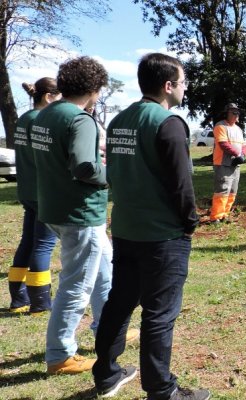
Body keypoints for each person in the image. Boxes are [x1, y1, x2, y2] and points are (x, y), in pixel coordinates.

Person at [91, 53, 209, 400]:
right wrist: (190, 222)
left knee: (120, 302)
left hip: (126, 228)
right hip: (162, 235)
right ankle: (161, 390)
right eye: (183, 82)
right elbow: (181, 183)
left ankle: (106, 373)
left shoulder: (119, 121)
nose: (186, 88)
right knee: (159, 314)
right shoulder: (168, 123)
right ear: (168, 85)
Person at [30, 56, 113, 374]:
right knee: (77, 285)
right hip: (80, 212)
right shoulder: (80, 119)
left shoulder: (46, 114)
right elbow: (84, 167)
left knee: (104, 270)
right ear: (94, 89)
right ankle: (60, 354)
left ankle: (108, 330)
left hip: (54, 207)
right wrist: (111, 174)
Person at [7, 78, 61, 314]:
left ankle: (19, 299)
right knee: (44, 244)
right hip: (43, 192)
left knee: (28, 242)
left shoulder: (24, 119)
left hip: (27, 190)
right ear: (48, 97)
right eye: (60, 99)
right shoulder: (42, 120)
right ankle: (40, 302)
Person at [209, 103, 246, 223]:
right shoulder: (220, 126)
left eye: (237, 112)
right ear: (227, 113)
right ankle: (216, 217)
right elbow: (223, 144)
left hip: (236, 164)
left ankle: (225, 214)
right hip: (222, 163)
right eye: (233, 112)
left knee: (232, 191)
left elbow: (243, 145)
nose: (236, 114)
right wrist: (237, 154)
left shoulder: (239, 129)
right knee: (222, 190)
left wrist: (243, 155)